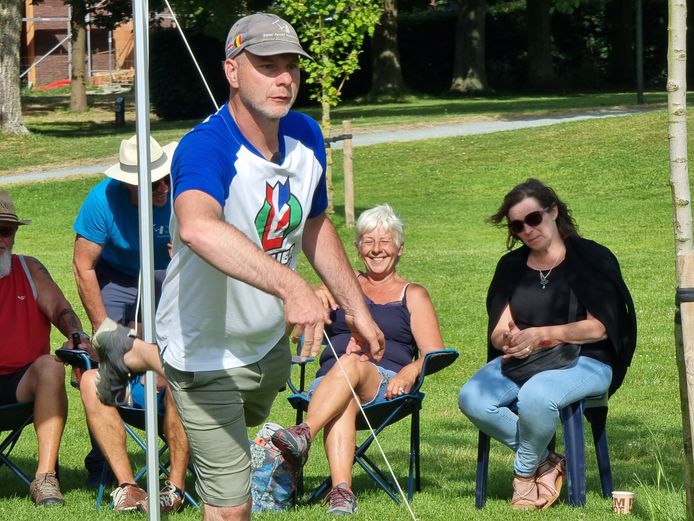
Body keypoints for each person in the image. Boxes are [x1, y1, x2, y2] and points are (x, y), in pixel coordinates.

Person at [91, 12, 384, 521]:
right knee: (232, 506)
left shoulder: (306, 135)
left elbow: (314, 224)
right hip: (203, 347)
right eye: (267, 65)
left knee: (234, 420)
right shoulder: (207, 147)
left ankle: (130, 353)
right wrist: (293, 286)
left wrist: (358, 306)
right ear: (232, 70)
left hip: (266, 346)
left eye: (290, 66)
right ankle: (148, 360)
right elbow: (197, 227)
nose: (284, 79)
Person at [458, 179, 636, 510]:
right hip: (526, 359)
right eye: (517, 225)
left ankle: (524, 475)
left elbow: (599, 328)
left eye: (534, 218)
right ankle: (549, 462)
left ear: (553, 211)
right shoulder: (510, 267)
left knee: (537, 395)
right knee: (472, 397)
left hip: (588, 359)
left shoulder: (591, 258)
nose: (527, 229)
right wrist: (509, 339)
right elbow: (499, 332)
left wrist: (542, 335)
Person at [271, 204, 445, 515]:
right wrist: (311, 295)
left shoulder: (413, 294)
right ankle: (342, 492)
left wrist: (409, 371)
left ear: (400, 247)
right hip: (330, 386)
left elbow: (434, 353)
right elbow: (289, 330)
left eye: (385, 240)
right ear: (357, 248)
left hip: (385, 384)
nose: (377, 249)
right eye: (368, 241)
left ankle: (304, 433)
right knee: (345, 389)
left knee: (351, 363)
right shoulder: (341, 285)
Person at [72, 135, 190, 512]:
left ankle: (177, 481)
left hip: (168, 271)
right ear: (128, 183)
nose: (161, 188)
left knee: (175, 361)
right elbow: (83, 265)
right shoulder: (101, 201)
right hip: (117, 275)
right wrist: (104, 326)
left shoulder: (180, 194)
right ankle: (108, 467)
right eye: (151, 183)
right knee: (108, 363)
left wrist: (186, 254)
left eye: (164, 179)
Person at [0, 189, 91, 506]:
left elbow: (61, 311)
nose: (0, 239)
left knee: (51, 366)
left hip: (21, 385)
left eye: (6, 231)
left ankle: (45, 478)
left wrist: (76, 334)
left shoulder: (29, 269)